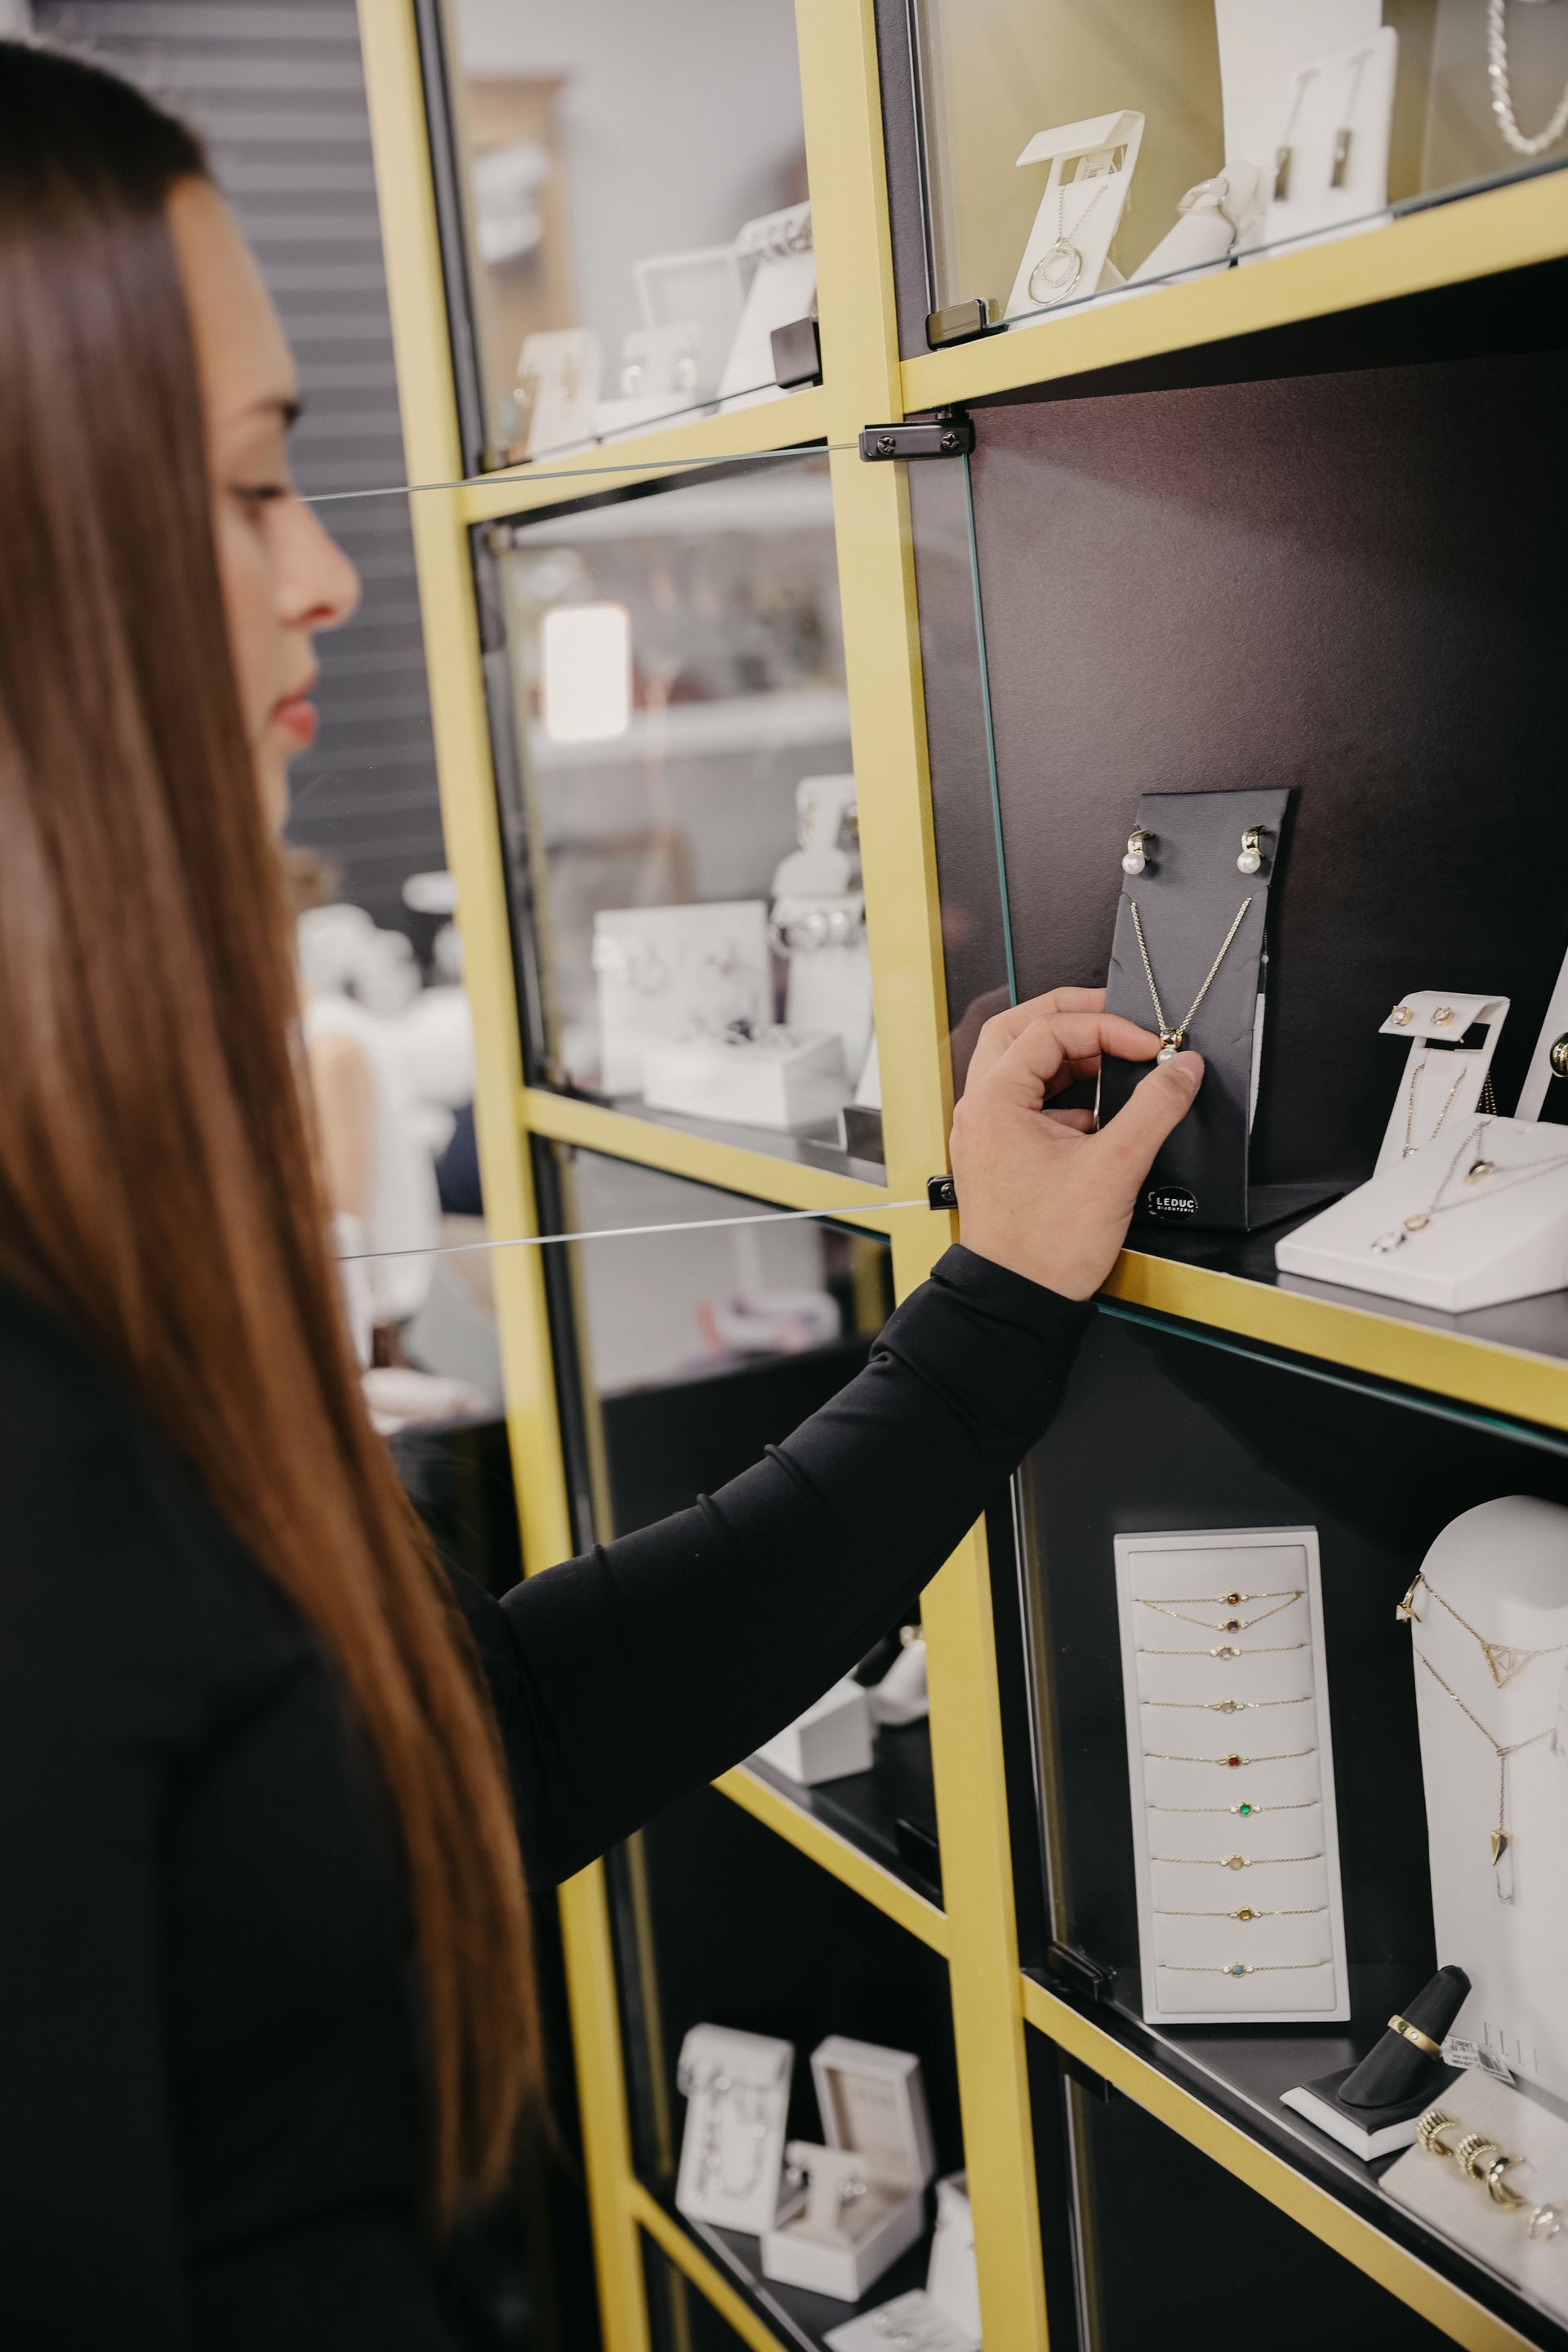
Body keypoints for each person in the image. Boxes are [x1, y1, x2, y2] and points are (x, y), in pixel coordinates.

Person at [0, 40, 1203, 2352]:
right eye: (250, 491)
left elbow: (482, 1747)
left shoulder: (116, 1248)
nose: (334, 578)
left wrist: (984, 1327)